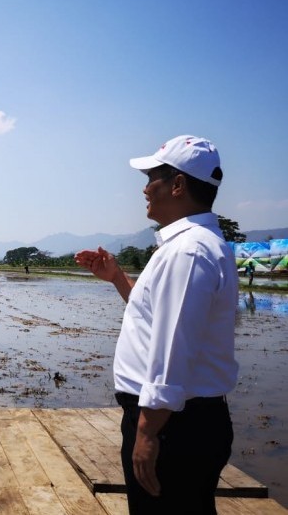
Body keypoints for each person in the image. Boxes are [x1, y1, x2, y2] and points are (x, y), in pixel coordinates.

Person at [74, 135, 238, 514]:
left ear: (178, 185)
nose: (145, 188)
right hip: (178, 421)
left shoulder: (188, 251)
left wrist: (148, 432)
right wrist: (117, 278)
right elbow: (159, 319)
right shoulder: (193, 245)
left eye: (152, 178)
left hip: (174, 427)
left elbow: (174, 348)